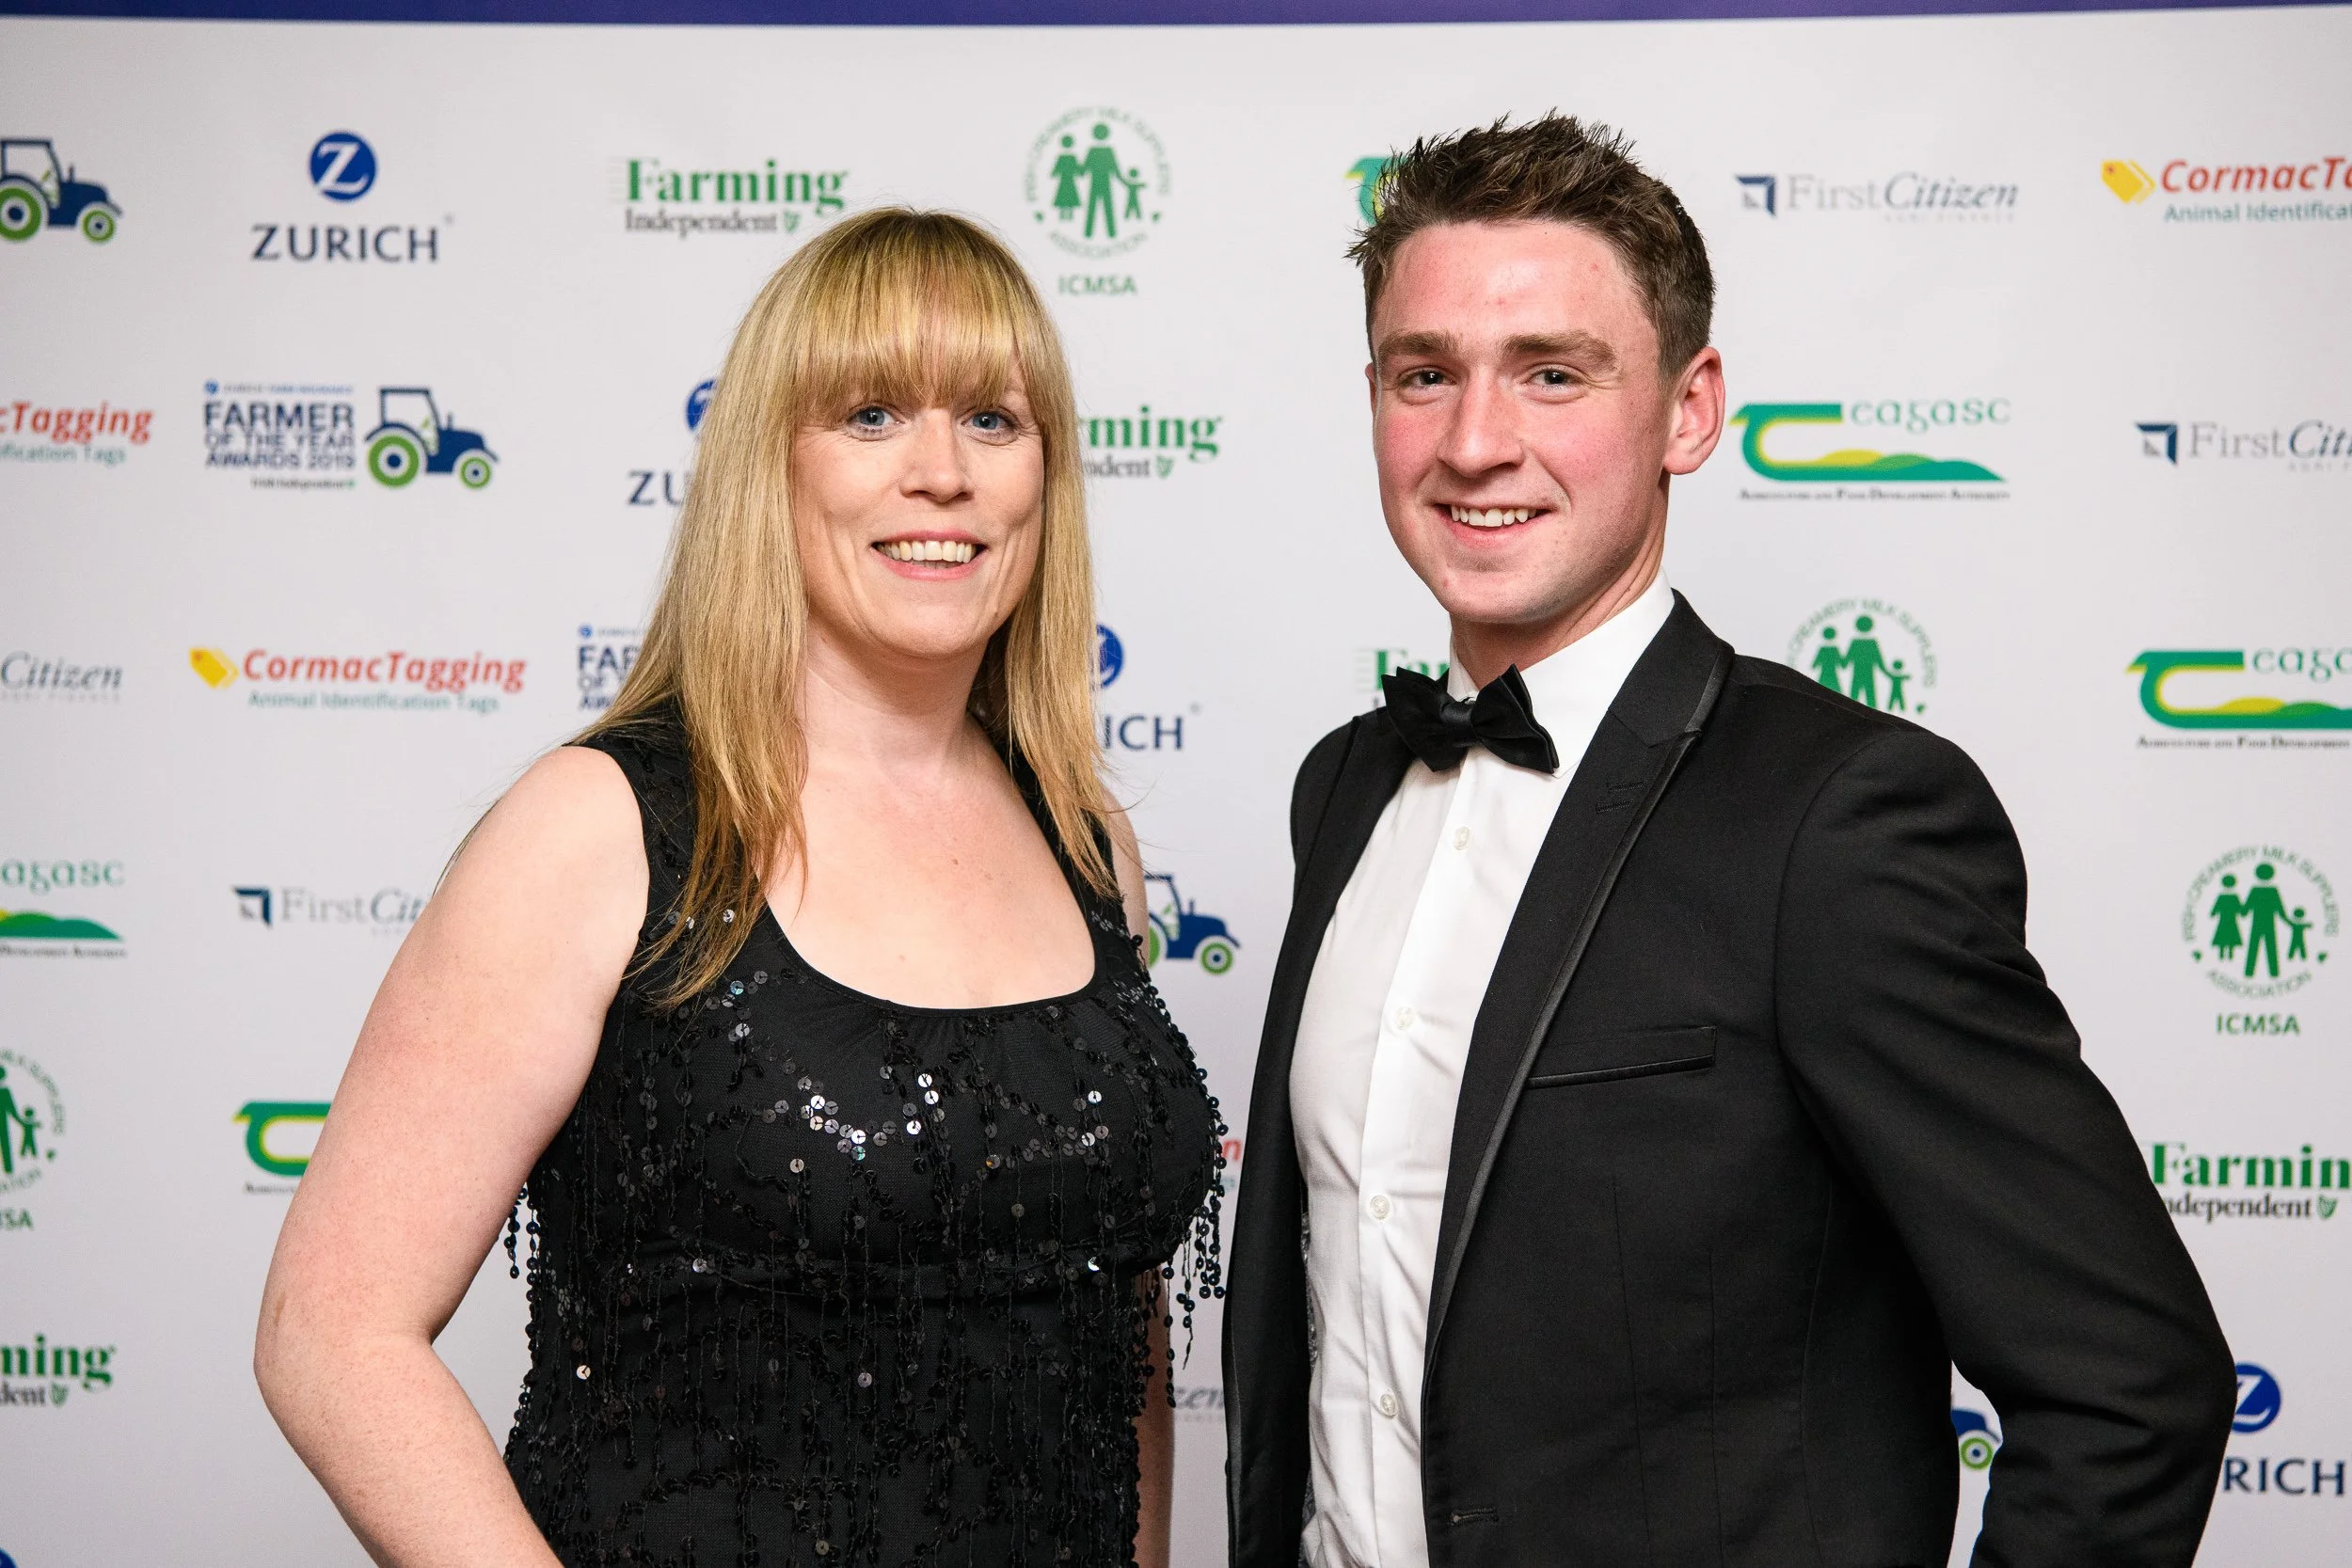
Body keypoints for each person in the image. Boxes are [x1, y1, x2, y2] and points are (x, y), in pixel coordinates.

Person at [1222, 115, 2234, 1568]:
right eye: (1422, 374)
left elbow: (2133, 1385)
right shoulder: (1345, 790)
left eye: (1552, 373)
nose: (1473, 442)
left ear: (1690, 411)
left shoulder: (1842, 819)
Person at [255, 208, 1224, 1568]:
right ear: (770, 463)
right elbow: (332, 1329)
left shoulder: (1083, 838)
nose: (940, 473)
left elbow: (1113, 1333)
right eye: (873, 414)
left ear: (1046, 479)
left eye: (994, 422)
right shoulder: (603, 829)